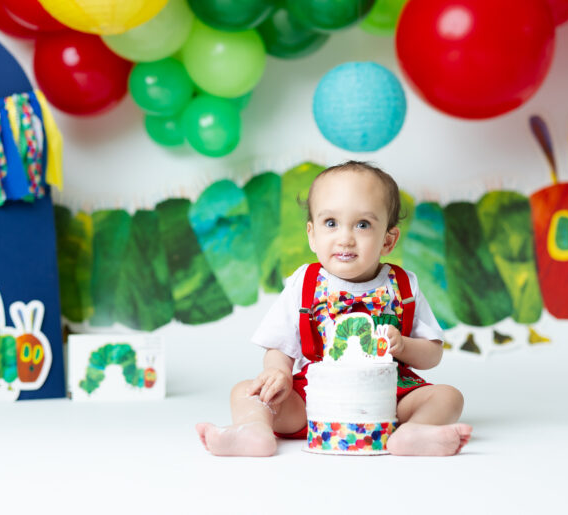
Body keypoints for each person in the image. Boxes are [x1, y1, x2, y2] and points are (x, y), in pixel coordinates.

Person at [196, 161, 472, 456]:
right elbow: (279, 345)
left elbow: (432, 353)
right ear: (312, 234)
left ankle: (413, 433)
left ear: (388, 240)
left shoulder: (403, 286)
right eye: (331, 223)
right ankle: (254, 431)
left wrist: (403, 346)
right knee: (246, 391)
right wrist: (279, 374)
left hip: (387, 397)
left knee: (448, 397)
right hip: (314, 399)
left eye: (363, 224)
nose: (345, 238)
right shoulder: (304, 283)